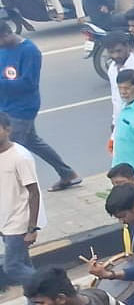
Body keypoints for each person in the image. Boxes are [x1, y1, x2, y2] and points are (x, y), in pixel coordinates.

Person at [0, 21, 78, 191]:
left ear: (6, 34)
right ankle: (67, 173)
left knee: (10, 152)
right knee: (33, 142)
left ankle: (19, 190)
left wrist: (2, 83)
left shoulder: (29, 51)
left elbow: (28, 84)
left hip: (22, 109)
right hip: (5, 106)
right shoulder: (3, 49)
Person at [0, 112, 39, 295]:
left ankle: (53, 287)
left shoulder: (20, 157)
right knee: (24, 264)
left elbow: (34, 192)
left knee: (13, 267)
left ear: (8, 129)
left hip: (19, 222)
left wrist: (32, 228)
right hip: (4, 221)